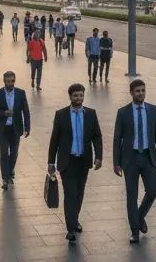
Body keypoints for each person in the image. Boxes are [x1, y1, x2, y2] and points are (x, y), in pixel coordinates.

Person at [47, 83, 103, 243]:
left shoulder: (91, 114)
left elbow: (97, 137)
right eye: (75, 95)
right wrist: (51, 161)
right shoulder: (61, 115)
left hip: (83, 162)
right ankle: (71, 228)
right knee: (70, 194)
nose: (78, 98)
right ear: (70, 96)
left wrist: (99, 156)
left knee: (79, 194)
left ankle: (74, 219)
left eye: (81, 95)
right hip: (67, 162)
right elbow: (54, 140)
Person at [113, 79, 156, 244]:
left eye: (143, 90)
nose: (141, 94)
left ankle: (139, 216)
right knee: (131, 196)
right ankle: (134, 231)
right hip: (130, 159)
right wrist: (116, 162)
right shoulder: (123, 112)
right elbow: (117, 139)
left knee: (152, 191)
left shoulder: (153, 110)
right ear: (131, 92)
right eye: (137, 91)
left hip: (148, 157)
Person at [0, 70, 32, 190]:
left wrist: (27, 128)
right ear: (4, 81)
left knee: (14, 154)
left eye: (12, 81)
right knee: (4, 153)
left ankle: (10, 171)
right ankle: (5, 178)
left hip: (15, 128)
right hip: (2, 129)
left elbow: (26, 111)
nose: (10, 83)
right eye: (8, 81)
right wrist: (3, 113)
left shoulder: (20, 93)